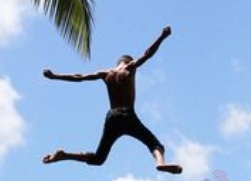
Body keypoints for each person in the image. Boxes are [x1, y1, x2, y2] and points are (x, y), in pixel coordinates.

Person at [41, 26, 182, 173]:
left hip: (112, 118)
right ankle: (160, 163)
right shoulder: (130, 68)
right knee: (155, 145)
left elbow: (79, 77)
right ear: (128, 61)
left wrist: (55, 76)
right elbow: (147, 54)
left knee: (98, 158)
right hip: (127, 115)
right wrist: (162, 37)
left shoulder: (106, 73)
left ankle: (65, 155)